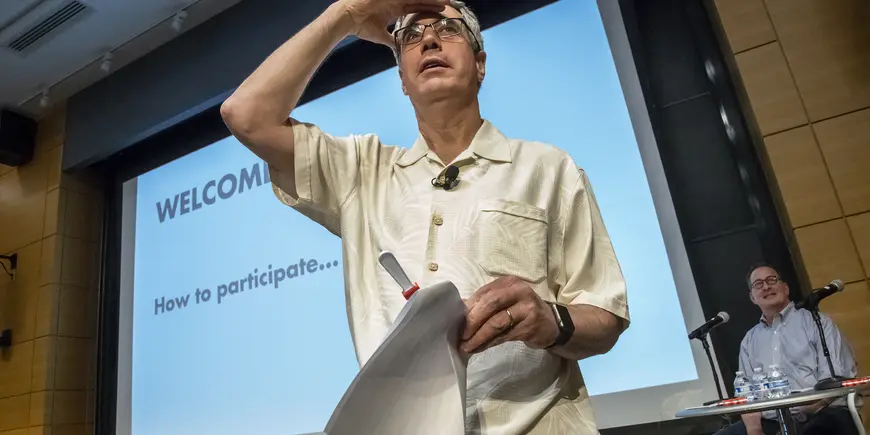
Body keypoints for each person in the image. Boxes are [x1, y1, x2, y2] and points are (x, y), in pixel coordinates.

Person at [220, 0, 630, 433]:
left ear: (480, 64)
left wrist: (552, 321)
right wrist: (346, 13)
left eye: (448, 29)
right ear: (402, 80)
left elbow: (604, 316)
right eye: (411, 36)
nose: (429, 39)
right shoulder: (362, 172)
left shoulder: (548, 168)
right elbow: (245, 116)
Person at [714, 264, 859, 435]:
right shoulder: (749, 340)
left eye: (771, 280)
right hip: (772, 420)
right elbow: (746, 394)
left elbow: (835, 381)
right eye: (758, 284)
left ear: (785, 288)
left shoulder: (817, 323)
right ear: (752, 297)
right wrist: (754, 430)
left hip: (821, 412)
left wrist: (801, 418)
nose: (766, 287)